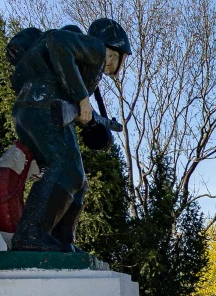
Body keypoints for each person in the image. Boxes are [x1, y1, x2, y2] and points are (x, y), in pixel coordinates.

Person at [9, 18, 131, 252]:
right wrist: (82, 98)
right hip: (43, 106)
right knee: (67, 169)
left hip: (34, 108)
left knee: (78, 180)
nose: (119, 64)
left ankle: (60, 239)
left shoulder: (82, 62)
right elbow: (57, 40)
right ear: (114, 52)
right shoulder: (95, 49)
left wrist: (88, 118)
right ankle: (31, 234)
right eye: (122, 58)